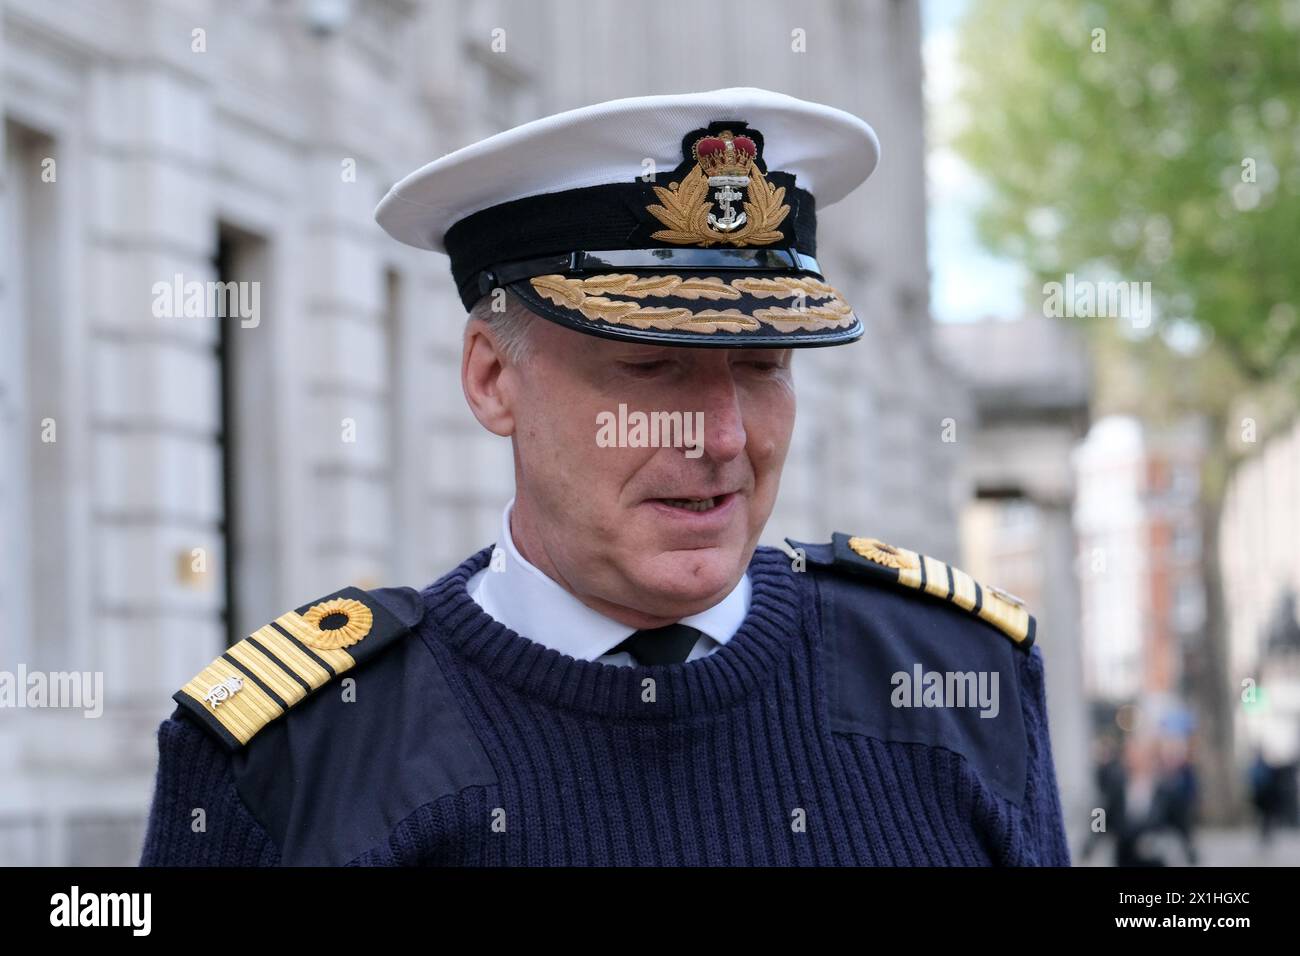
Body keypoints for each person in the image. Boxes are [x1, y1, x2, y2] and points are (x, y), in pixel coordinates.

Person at [139, 87, 1071, 866]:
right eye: (648, 366)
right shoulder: (298, 757)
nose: (720, 436)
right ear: (492, 378)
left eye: (763, 366)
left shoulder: (952, 680)